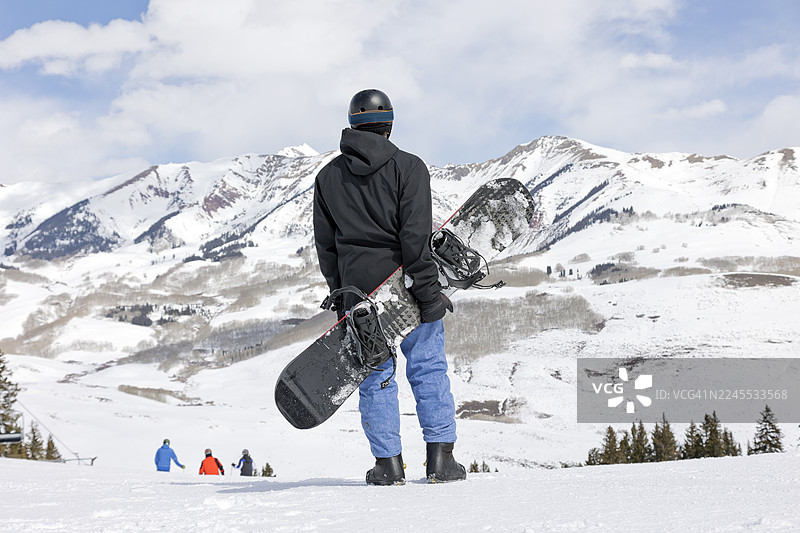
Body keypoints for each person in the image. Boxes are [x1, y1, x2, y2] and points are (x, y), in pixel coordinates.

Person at [313, 88, 467, 485]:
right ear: (389, 125)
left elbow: (326, 247)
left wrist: (342, 294)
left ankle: (388, 465)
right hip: (405, 286)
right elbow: (415, 238)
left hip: (358, 292)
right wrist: (429, 293)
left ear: (352, 124)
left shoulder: (327, 177)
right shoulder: (409, 167)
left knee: (375, 374)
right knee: (428, 368)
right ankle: (440, 462)